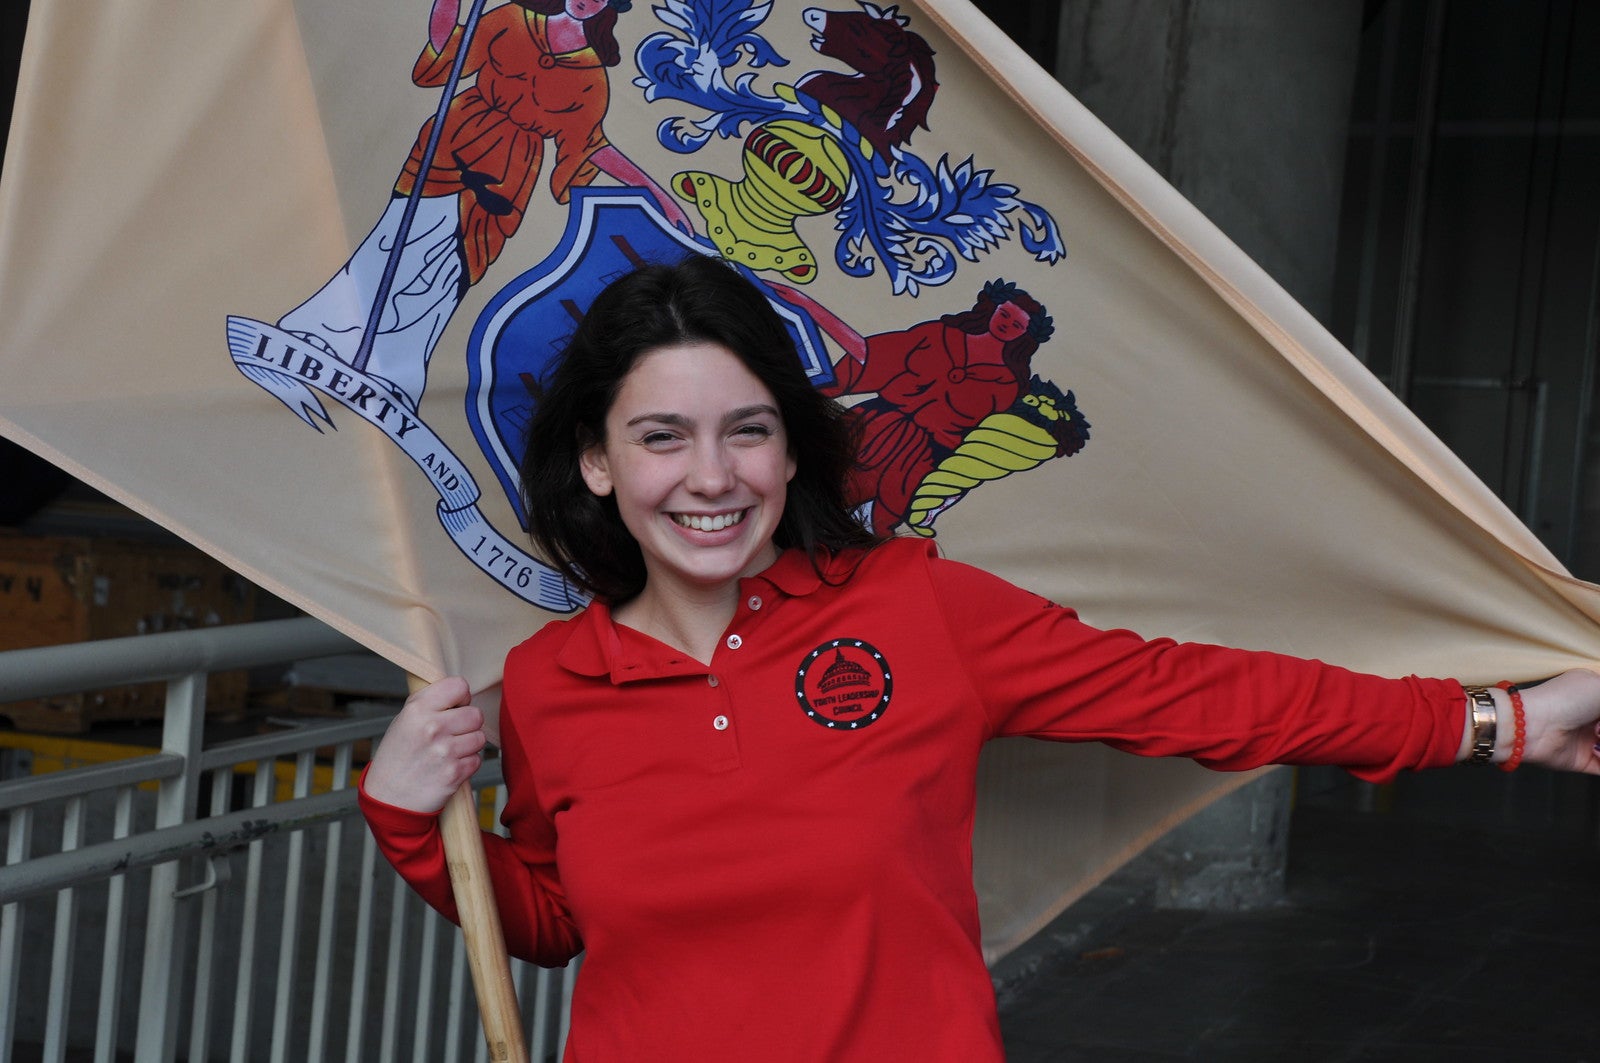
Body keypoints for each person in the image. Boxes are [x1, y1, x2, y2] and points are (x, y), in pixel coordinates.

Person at [359, 254, 1600, 1061]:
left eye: (748, 431)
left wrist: (1491, 721)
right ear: (597, 461)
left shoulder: (914, 609)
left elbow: (1195, 693)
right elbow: (556, 921)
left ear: (792, 454)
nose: (710, 477)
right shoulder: (550, 686)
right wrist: (411, 822)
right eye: (661, 437)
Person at [278, 0, 691, 412]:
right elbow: (449, 50)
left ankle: (395, 374)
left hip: (507, 173)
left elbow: (591, 148)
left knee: (449, 272)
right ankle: (321, 331)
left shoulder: (591, 79)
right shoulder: (511, 18)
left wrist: (655, 193)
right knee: (394, 239)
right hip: (451, 140)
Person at [776, 279, 1055, 534]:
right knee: (796, 491)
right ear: (992, 310)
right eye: (1004, 314)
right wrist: (809, 306)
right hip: (867, 427)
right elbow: (868, 355)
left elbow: (978, 440)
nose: (1006, 324)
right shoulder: (938, 335)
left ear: (1024, 336)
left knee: (864, 528)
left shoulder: (1007, 384)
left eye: (1017, 325)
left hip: (914, 460)